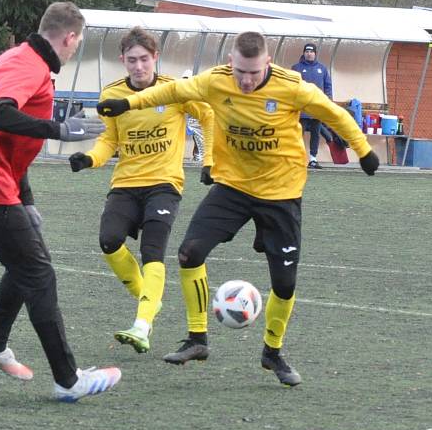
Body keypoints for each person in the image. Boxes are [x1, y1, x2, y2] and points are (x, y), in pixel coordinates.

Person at [97, 31, 379, 386]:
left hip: (281, 193)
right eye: (240, 72)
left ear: (268, 64)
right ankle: (197, 340)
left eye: (254, 73)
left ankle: (272, 353)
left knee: (285, 283)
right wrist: (128, 104)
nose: (246, 81)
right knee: (189, 253)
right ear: (231, 63)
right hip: (232, 187)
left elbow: (334, 115)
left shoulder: (292, 87)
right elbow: (172, 91)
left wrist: (363, 150)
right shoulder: (217, 81)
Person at [0, 1, 121, 402]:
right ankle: (67, 379)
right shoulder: (27, 65)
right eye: (77, 43)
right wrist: (59, 128)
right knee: (39, 274)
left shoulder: (23, 59)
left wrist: (24, 198)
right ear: (70, 37)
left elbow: (9, 141)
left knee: (28, 262)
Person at [67, 28, 214, 354]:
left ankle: (142, 324)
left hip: (164, 184)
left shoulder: (173, 90)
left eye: (143, 59)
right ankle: (150, 299)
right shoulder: (112, 95)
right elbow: (109, 140)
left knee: (153, 250)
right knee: (109, 241)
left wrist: (210, 160)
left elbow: (208, 115)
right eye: (131, 60)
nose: (138, 66)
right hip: (126, 184)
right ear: (123, 60)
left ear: (155, 58)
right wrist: (90, 158)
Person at [291, 43, 333, 169]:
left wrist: (327, 102)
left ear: (315, 53)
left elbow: (328, 87)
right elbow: (291, 86)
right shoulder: (296, 68)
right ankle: (296, 159)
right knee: (298, 134)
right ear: (304, 53)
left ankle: (313, 159)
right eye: (307, 51)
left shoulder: (322, 69)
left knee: (316, 134)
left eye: (311, 51)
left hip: (317, 109)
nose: (309, 53)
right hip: (301, 109)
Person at [182, 69, 205, 162]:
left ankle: (200, 157)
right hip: (188, 120)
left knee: (199, 138)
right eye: (184, 79)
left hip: (197, 121)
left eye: (187, 79)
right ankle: (198, 156)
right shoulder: (180, 92)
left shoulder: (199, 94)